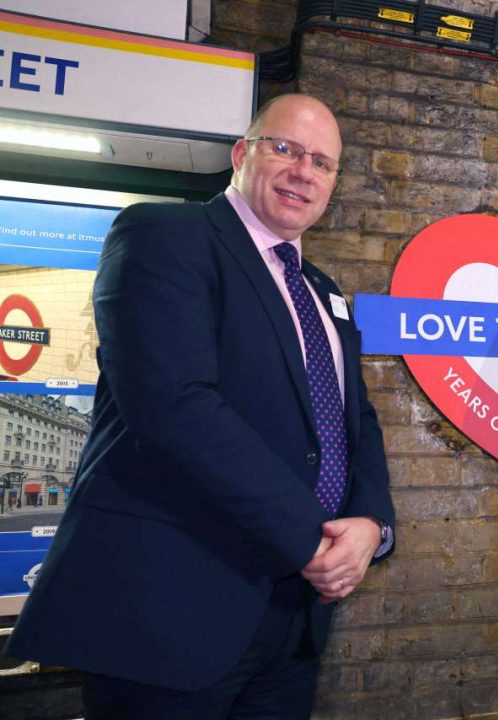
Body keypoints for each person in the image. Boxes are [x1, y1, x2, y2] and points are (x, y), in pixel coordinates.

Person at [8, 94, 395, 719]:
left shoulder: (323, 291)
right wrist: (312, 540)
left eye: (322, 162)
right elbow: (174, 407)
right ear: (241, 155)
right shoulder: (165, 236)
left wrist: (372, 523)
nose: (303, 170)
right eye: (285, 148)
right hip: (171, 606)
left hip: (294, 617)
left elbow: (356, 423)